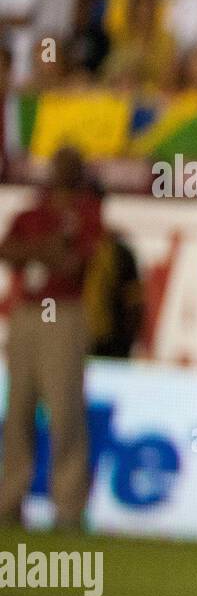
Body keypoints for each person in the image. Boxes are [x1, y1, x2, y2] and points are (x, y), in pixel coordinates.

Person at [0, 146, 103, 530]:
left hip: (62, 312)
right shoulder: (34, 211)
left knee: (64, 412)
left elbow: (73, 263)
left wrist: (35, 252)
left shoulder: (85, 212)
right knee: (18, 410)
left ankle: (69, 507)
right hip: (28, 313)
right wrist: (43, 250)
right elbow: (8, 249)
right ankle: (10, 499)